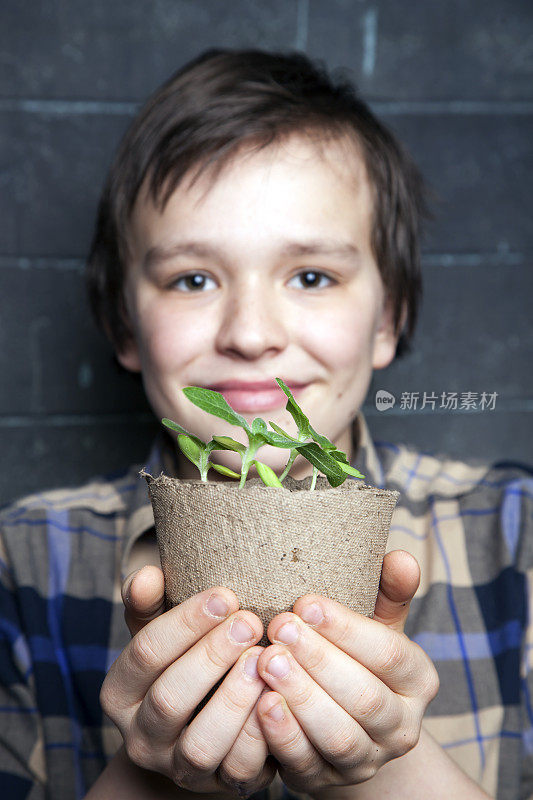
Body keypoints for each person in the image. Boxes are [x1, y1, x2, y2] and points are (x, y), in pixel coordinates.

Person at [1, 47, 532, 800]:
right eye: (192, 278)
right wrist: (156, 767)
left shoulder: (515, 536)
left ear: (391, 317)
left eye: (311, 276)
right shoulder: (23, 563)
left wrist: (383, 752)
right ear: (125, 325)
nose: (250, 334)